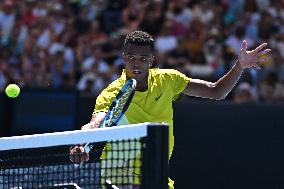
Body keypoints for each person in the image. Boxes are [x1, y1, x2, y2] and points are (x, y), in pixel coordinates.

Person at [70, 31, 271, 188]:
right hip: (119, 176)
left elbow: (216, 91)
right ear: (123, 57)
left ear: (152, 60)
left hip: (156, 176)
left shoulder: (167, 80)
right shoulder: (112, 93)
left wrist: (239, 66)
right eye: (131, 57)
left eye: (142, 58)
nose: (136, 63)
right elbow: (95, 122)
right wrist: (80, 141)